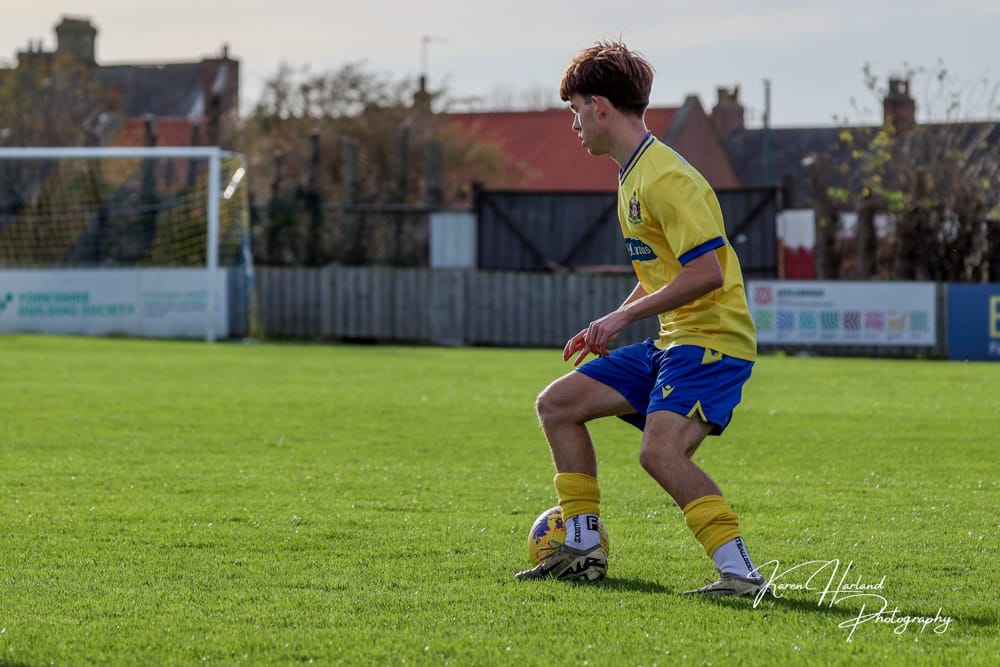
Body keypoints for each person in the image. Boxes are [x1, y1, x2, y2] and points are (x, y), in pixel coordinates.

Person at [514, 40, 766, 597]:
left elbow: (707, 274)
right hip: (675, 341)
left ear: (600, 106)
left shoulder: (665, 178)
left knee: (659, 453)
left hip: (713, 343)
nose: (573, 123)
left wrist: (622, 320)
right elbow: (662, 272)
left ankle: (742, 575)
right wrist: (616, 317)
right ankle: (580, 546)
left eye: (575, 109)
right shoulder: (632, 173)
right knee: (557, 405)